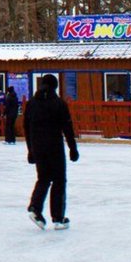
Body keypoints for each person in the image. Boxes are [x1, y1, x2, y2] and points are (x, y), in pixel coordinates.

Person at [24, 73, 79, 231]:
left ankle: (35, 208)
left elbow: (26, 128)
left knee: (43, 179)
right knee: (59, 180)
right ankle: (58, 218)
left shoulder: (31, 104)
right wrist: (73, 148)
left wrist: (30, 150)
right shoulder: (59, 104)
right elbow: (67, 128)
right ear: (55, 87)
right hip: (54, 146)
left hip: (38, 147)